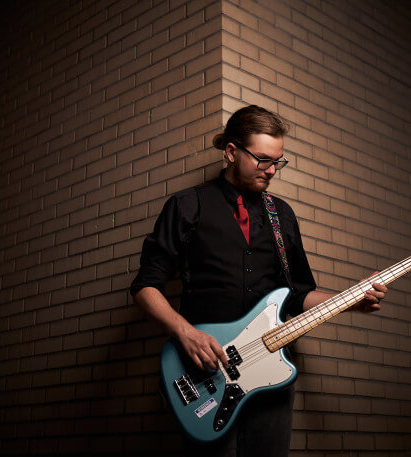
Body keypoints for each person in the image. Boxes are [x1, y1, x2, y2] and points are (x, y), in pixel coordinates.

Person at [130, 105, 387, 457]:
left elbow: (298, 295)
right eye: (263, 159)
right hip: (206, 372)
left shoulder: (282, 215)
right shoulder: (187, 205)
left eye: (278, 161)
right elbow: (145, 287)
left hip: (271, 373)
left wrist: (351, 300)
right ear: (231, 151)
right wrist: (185, 333)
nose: (271, 170)